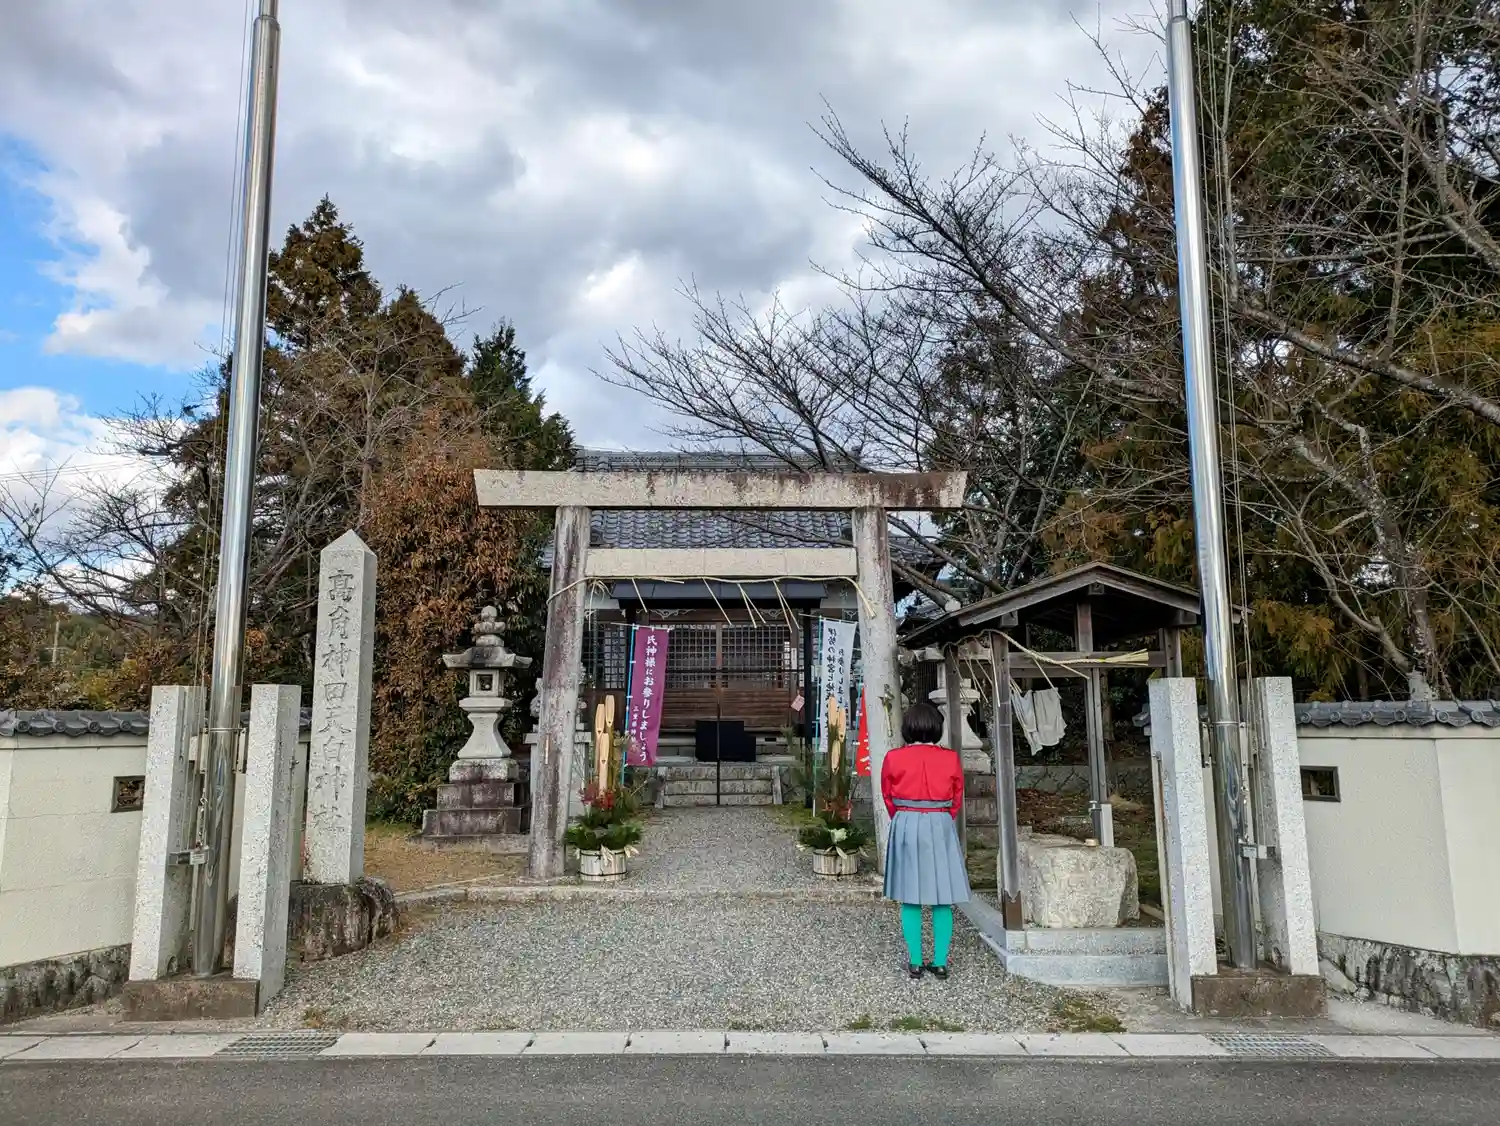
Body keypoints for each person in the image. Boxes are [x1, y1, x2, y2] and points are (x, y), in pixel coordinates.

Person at [880, 700, 971, 979]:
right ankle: (940, 962)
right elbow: (957, 795)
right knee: (943, 896)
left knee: (910, 895)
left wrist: (902, 817)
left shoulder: (893, 757)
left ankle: (916, 962)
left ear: (907, 728)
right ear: (937, 728)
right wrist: (943, 817)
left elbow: (887, 794)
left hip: (906, 819)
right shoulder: (950, 758)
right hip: (940, 820)